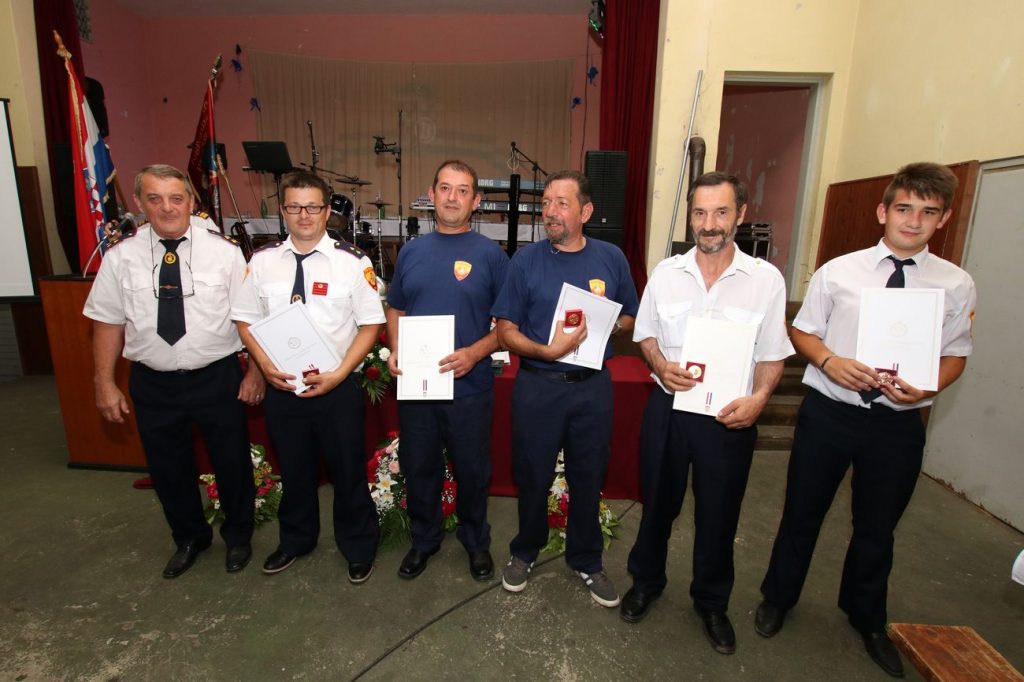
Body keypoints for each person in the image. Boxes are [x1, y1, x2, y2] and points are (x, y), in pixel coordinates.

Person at [756, 162, 977, 678]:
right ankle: (778, 598)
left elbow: (957, 353)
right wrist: (829, 361)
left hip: (898, 424)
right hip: (830, 413)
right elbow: (803, 332)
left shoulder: (956, 284)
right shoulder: (838, 272)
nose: (913, 221)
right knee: (802, 513)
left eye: (928, 212)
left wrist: (930, 386)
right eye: (904, 209)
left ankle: (866, 616)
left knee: (878, 526)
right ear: (883, 211)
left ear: (943, 219)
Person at [620, 172, 792, 654]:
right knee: (658, 505)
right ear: (690, 216)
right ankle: (646, 583)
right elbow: (645, 335)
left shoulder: (765, 281)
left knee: (719, 514)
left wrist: (759, 400)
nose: (709, 223)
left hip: (729, 419)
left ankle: (712, 603)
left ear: (741, 214)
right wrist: (660, 364)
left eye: (720, 212)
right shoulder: (666, 273)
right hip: (669, 410)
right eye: (700, 213)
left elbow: (772, 353)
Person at [84, 164, 261, 578]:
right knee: (168, 469)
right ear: (139, 203)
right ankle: (189, 538)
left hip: (217, 376)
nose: (167, 207)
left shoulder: (224, 252)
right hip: (153, 382)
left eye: (176, 198)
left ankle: (238, 537)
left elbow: (250, 318)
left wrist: (255, 372)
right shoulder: (120, 257)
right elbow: (107, 322)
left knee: (232, 463)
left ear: (191, 202)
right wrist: (104, 382)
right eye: (155, 198)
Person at [492, 170, 639, 607]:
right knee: (532, 475)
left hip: (592, 389)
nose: (550, 211)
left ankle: (587, 558)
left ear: (585, 211)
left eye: (561, 203)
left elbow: (631, 317)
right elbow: (505, 330)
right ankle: (525, 550)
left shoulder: (611, 257)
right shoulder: (525, 261)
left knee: (588, 475)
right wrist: (546, 350)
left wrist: (605, 326)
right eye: (546, 203)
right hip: (538, 386)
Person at [232, 171, 384, 584]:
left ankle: (358, 546)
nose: (304, 215)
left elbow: (371, 325)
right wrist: (264, 366)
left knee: (348, 472)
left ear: (327, 211)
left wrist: (340, 374)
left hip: (337, 388)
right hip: (283, 387)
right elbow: (244, 320)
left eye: (312, 206)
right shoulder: (262, 262)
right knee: (294, 470)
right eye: (295, 206)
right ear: (283, 210)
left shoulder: (352, 262)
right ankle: (296, 540)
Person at [385, 160, 509, 581]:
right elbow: (396, 308)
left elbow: (508, 325)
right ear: (431, 194)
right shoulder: (411, 252)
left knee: (472, 469)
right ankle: (424, 540)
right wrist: (396, 348)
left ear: (476, 201)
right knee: (419, 466)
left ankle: (476, 541)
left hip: (469, 386)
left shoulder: (492, 255)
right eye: (445, 188)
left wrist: (474, 353)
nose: (452, 197)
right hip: (418, 387)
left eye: (462, 190)